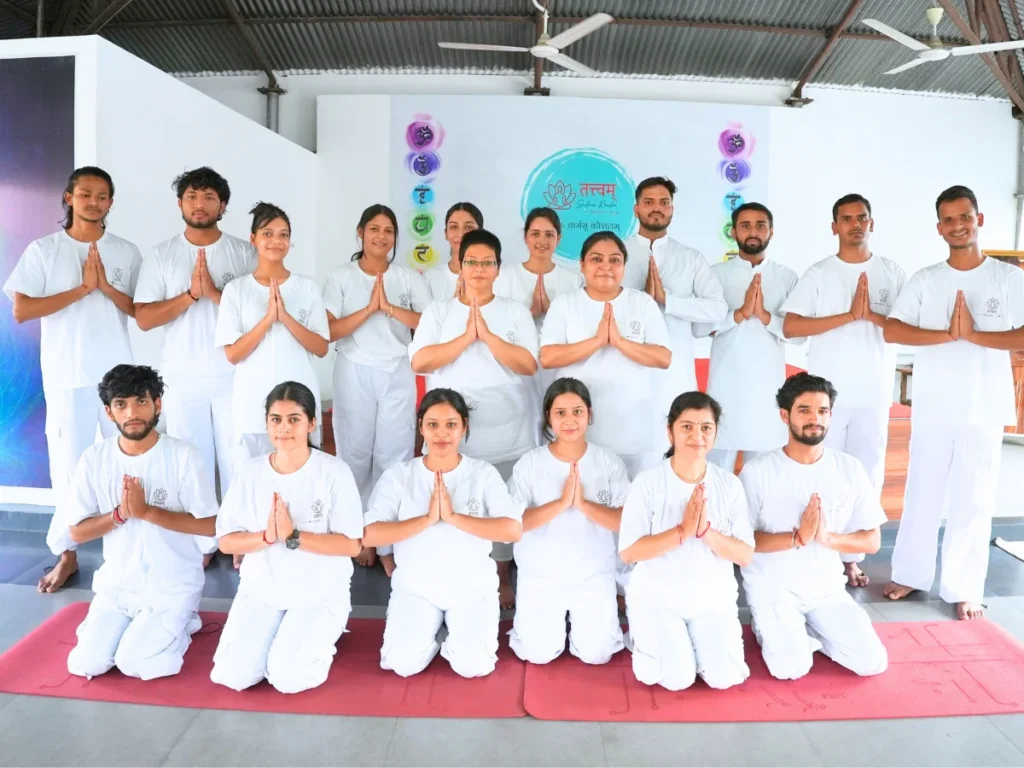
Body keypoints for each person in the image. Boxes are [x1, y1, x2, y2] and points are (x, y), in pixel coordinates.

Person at [883, 186, 1024, 621]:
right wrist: (948, 334)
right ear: (939, 228)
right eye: (948, 219)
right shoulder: (927, 279)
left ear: (979, 220)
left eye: (964, 217)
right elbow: (893, 330)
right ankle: (911, 573)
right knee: (922, 492)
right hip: (934, 406)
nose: (957, 225)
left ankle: (964, 587)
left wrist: (974, 335)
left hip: (983, 406)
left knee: (974, 499)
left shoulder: (1007, 278)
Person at [3, 166, 141, 593]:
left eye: (101, 196)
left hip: (119, 380)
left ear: (111, 202)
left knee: (129, 463)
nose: (93, 202)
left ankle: (132, 553)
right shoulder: (45, 250)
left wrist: (104, 287)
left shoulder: (126, 251)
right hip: (67, 375)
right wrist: (82, 289)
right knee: (69, 467)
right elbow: (23, 310)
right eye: (85, 194)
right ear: (69, 198)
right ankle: (67, 554)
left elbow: (140, 310)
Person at [781, 194, 906, 589]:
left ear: (872, 223)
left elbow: (906, 328)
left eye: (861, 217)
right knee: (822, 474)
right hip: (825, 401)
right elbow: (792, 327)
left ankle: (851, 558)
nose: (855, 224)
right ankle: (817, 553)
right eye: (847, 218)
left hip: (873, 393)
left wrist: (871, 316)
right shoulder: (820, 273)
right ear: (834, 226)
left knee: (867, 476)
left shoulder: (891, 272)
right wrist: (848, 316)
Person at [409, 228, 539, 609]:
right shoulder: (438, 312)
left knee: (502, 505)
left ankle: (500, 574)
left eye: (487, 263)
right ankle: (454, 574)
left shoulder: (515, 311)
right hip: (450, 433)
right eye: (472, 262)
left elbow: (528, 364)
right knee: (454, 501)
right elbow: (420, 361)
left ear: (498, 268)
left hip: (508, 428)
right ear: (460, 266)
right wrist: (467, 337)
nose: (479, 269)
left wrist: (488, 336)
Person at [62, 365, 218, 680]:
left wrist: (148, 512)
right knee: (85, 664)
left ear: (157, 404)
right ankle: (115, 628)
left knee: (134, 663)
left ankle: (183, 623)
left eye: (141, 402)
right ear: (109, 412)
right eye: (121, 404)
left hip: (171, 586)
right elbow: (76, 531)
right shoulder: (94, 459)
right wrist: (120, 515)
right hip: (117, 586)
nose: (132, 413)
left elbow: (211, 526)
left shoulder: (184, 456)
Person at [210, 382, 363, 694]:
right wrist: (267, 537)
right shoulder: (250, 472)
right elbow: (226, 540)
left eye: (294, 419)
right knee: (233, 676)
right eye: (276, 419)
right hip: (262, 590)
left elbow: (351, 544)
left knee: (288, 678)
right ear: (266, 423)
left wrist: (293, 536)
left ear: (312, 423)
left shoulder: (334, 472)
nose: (284, 428)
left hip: (318, 592)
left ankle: (320, 632)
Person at [363, 388, 524, 678]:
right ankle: (437, 633)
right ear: (421, 426)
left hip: (471, 587)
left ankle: (455, 636)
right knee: (403, 664)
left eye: (451, 424)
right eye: (433, 424)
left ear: (464, 427)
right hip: (416, 587)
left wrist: (452, 517)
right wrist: (427, 519)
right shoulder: (400, 475)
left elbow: (512, 529)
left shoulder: (482, 473)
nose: (441, 433)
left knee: (473, 666)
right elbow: (369, 535)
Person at [740, 373, 888, 681]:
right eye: (804, 410)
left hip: (827, 590)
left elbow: (872, 540)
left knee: (872, 662)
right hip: (774, 589)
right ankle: (771, 625)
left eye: (823, 411)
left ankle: (806, 630)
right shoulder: (758, 470)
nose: (815, 419)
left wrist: (827, 538)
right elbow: (743, 543)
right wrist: (797, 538)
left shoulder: (849, 468)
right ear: (785, 416)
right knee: (790, 668)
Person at [134, 168, 256, 504]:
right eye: (191, 196)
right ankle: (199, 532)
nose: (199, 204)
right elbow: (144, 318)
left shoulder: (245, 253)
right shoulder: (161, 254)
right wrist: (189, 296)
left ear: (223, 205)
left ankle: (236, 530)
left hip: (235, 375)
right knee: (192, 464)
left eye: (209, 197)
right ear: (180, 203)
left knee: (239, 461)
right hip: (182, 377)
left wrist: (215, 294)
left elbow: (261, 316)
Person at [619, 391, 755, 691]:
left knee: (725, 677)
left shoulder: (729, 484)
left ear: (715, 432)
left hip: (711, 601)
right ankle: (645, 636)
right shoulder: (648, 482)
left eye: (706, 427)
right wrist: (682, 531)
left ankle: (690, 645)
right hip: (658, 599)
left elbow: (745, 555)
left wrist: (705, 532)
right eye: (687, 427)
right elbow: (629, 552)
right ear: (670, 431)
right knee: (677, 679)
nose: (697, 436)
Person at [323, 204, 429, 575]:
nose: (381, 237)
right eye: (374, 229)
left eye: (388, 231)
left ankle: (386, 541)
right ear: (360, 232)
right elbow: (329, 330)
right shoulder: (341, 277)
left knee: (393, 456)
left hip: (397, 371)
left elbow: (428, 323)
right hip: (354, 370)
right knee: (354, 455)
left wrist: (390, 309)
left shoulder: (408, 278)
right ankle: (359, 534)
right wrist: (369, 309)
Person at [507, 378, 629, 665]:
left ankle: (579, 624)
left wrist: (583, 505)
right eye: (560, 413)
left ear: (590, 414)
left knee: (597, 654)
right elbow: (514, 525)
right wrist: (561, 504)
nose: (569, 420)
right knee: (538, 654)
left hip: (593, 574)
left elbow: (624, 521)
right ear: (548, 417)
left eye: (577, 411)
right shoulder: (530, 463)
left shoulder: (608, 462)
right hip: (541, 576)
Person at [540, 231, 672, 479]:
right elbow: (548, 357)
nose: (606, 266)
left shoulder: (641, 303)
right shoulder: (565, 304)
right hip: (577, 430)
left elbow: (663, 358)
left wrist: (619, 342)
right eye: (596, 259)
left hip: (631, 427)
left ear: (624, 265)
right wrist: (597, 341)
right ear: (582, 264)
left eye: (614, 260)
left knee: (630, 498)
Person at [215, 202, 329, 466]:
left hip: (299, 402)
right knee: (253, 477)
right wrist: (268, 319)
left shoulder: (307, 287)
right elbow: (233, 354)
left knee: (301, 474)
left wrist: (285, 317)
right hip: (252, 403)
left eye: (283, 234)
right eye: (267, 233)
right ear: (253, 239)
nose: (276, 241)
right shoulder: (236, 290)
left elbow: (321, 347)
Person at [694, 203, 799, 473]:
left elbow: (799, 336)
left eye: (760, 225)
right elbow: (698, 329)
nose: (753, 232)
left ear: (771, 231)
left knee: (763, 476)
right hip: (725, 388)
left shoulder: (787, 277)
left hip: (768, 392)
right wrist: (738, 314)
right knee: (716, 473)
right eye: (745, 225)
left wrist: (764, 316)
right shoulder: (715, 274)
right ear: (733, 232)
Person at [621, 176, 727, 415]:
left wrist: (667, 301)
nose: (656, 208)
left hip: (675, 373)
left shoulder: (690, 258)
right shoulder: (616, 254)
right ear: (636, 209)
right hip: (625, 366)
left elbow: (718, 309)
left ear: (672, 209)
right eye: (648, 202)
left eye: (664, 202)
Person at [494, 207, 583, 328]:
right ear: (525, 237)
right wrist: (532, 312)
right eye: (535, 234)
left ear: (558, 239)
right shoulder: (505, 276)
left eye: (549, 234)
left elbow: (579, 328)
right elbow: (497, 325)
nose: (542, 240)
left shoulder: (573, 280)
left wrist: (550, 311)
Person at [425, 202, 483, 300]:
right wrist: (455, 304)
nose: (460, 234)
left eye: (468, 227)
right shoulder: (430, 277)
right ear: (446, 233)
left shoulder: (499, 276)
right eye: (454, 227)